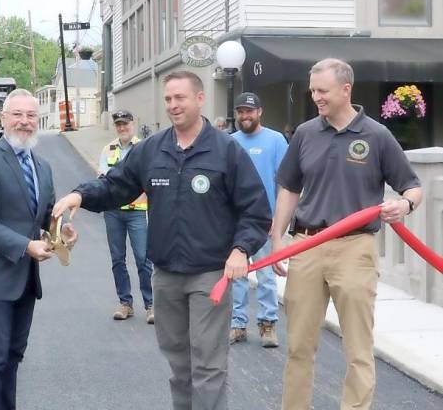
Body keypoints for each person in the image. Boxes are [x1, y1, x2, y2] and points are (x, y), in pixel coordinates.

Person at [53, 71, 271, 410]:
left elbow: (255, 211)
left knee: (208, 366)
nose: (173, 105)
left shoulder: (226, 150)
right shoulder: (153, 149)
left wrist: (242, 249)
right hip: (166, 273)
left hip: (210, 273)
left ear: (200, 99)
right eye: (168, 99)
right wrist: (80, 196)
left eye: (180, 98)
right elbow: (116, 185)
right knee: (179, 364)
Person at [270, 58, 423, 410]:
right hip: (306, 245)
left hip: (356, 248)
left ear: (345, 89)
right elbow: (289, 189)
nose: (316, 97)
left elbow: (413, 188)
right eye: (313, 91)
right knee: (298, 346)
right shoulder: (306, 133)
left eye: (322, 91)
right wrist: (278, 239)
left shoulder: (377, 136)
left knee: (357, 348)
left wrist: (404, 206)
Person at [0, 89, 77, 410]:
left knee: (13, 355)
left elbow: (45, 215)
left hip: (26, 279)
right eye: (18, 115)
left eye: (31, 116)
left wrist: (62, 232)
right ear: (3, 119)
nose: (25, 122)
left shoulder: (42, 166)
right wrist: (26, 246)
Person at [228, 92, 288, 348]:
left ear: (260, 112)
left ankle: (268, 324)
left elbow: (285, 184)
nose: (245, 116)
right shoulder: (229, 142)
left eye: (249, 111)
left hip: (266, 222)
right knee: (237, 276)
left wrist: (278, 218)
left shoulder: (275, 141)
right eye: (241, 111)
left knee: (265, 275)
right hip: (234, 222)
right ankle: (238, 324)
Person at [98, 109, 154, 323]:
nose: (122, 128)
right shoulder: (108, 149)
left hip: (137, 212)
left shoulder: (143, 148)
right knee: (117, 259)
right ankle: (125, 303)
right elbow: (104, 177)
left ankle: (150, 304)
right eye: (119, 124)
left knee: (143, 258)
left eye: (126, 124)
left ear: (133, 123)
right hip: (113, 212)